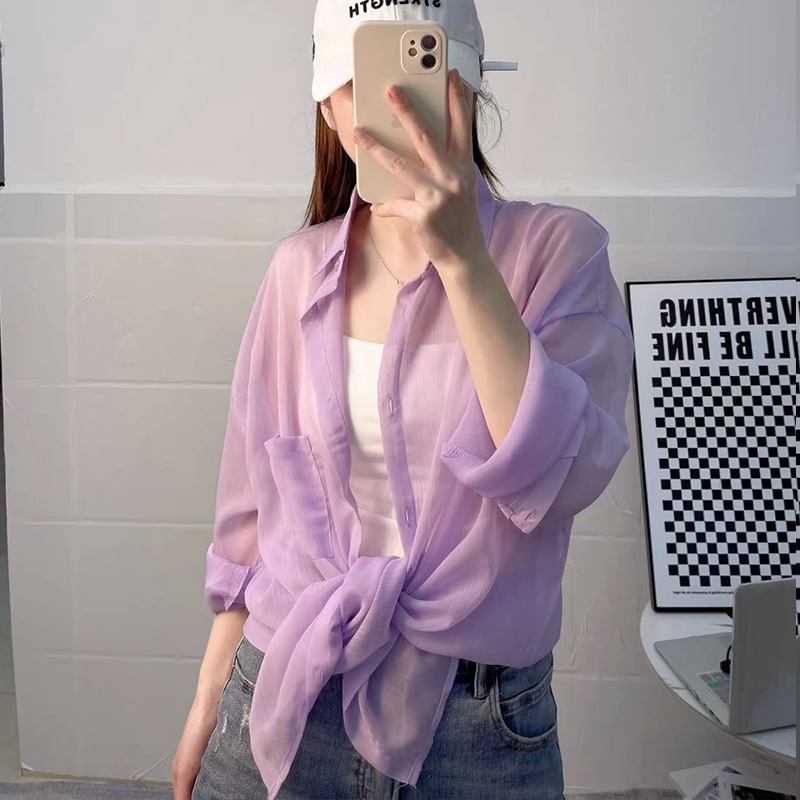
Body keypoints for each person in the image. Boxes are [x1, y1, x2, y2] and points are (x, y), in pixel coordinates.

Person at [173, 2, 634, 799]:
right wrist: (207, 702)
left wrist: (463, 261)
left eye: (416, 72)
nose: (392, 107)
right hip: (287, 686)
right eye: (360, 81)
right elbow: (249, 525)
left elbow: (560, 480)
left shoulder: (559, 253)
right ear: (327, 106)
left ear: (470, 86)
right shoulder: (295, 272)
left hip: (481, 723)